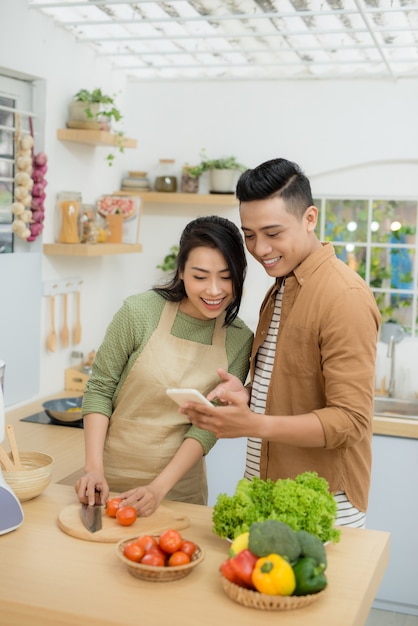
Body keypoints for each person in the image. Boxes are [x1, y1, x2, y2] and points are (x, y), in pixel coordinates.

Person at [183, 158, 381, 528]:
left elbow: (350, 422)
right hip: (268, 492)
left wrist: (251, 424)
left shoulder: (344, 296)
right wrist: (250, 395)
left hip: (323, 504)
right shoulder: (282, 287)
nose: (259, 249)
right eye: (250, 234)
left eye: (273, 233)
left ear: (309, 219)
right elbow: (294, 385)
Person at [75, 215, 253, 516]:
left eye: (226, 277)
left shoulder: (239, 339)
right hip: (109, 480)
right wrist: (93, 469)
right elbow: (100, 389)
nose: (214, 290)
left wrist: (159, 488)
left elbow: (207, 427)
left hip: (179, 490)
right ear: (181, 271)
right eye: (200, 276)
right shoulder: (138, 312)